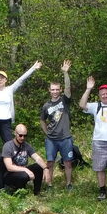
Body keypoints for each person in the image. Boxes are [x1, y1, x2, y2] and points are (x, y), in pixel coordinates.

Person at [40, 59, 79, 189]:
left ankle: (68, 184)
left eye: (57, 89)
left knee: (68, 162)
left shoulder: (64, 101)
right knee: (50, 163)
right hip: (51, 140)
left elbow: (68, 88)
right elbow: (42, 120)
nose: (55, 91)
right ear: (49, 90)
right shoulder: (46, 106)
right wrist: (46, 132)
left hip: (65, 138)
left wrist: (65, 73)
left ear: (60, 90)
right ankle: (49, 185)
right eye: (53, 89)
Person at [0, 124, 46, 195]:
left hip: (22, 171)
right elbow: (9, 167)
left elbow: (37, 158)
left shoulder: (26, 145)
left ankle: (37, 192)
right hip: (9, 174)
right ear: (15, 133)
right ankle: (19, 192)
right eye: (20, 135)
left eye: (25, 136)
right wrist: (26, 170)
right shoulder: (8, 146)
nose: (22, 138)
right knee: (23, 175)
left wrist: (45, 168)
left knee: (38, 167)